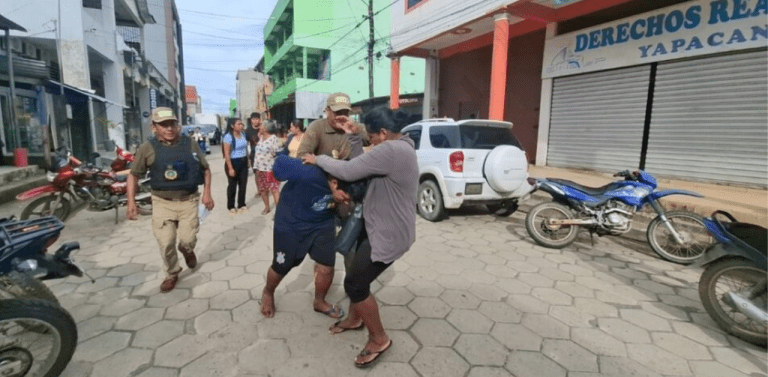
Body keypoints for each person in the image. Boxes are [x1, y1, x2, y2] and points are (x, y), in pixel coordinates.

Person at [302, 108, 417, 368]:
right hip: (379, 224)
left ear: (384, 134)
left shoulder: (391, 150)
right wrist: (354, 137)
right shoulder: (402, 145)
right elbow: (365, 167)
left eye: (373, 137)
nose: (371, 142)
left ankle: (379, 339)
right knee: (356, 270)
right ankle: (355, 319)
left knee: (355, 284)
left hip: (388, 233)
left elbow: (350, 171)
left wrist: (317, 158)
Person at [127, 107, 214, 293]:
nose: (169, 129)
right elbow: (133, 175)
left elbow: (205, 169)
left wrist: (207, 193)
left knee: (187, 240)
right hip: (162, 202)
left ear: (178, 125)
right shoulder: (147, 148)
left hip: (188, 200)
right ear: (154, 127)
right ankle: (172, 273)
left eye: (172, 124)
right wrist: (131, 202)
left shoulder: (189, 143)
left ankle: (187, 250)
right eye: (163, 125)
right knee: (166, 242)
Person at [260, 154, 348, 319]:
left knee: (326, 265)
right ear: (334, 183)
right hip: (291, 223)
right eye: (345, 195)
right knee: (282, 266)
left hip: (323, 223)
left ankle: (319, 302)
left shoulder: (349, 178)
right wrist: (299, 159)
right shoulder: (307, 172)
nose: (347, 199)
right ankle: (268, 292)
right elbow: (279, 163)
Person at [253, 121, 281, 214]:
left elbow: (278, 153)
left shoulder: (273, 139)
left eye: (261, 126)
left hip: (270, 169)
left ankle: (279, 211)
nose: (259, 127)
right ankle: (267, 207)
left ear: (265, 128)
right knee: (263, 190)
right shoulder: (261, 137)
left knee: (274, 190)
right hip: (260, 169)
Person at [223, 118, 249, 214]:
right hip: (233, 162)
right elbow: (226, 154)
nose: (241, 126)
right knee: (232, 185)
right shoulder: (228, 137)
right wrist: (230, 168)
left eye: (242, 124)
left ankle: (241, 204)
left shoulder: (243, 135)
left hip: (243, 161)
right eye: (239, 124)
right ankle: (231, 206)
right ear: (232, 126)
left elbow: (246, 148)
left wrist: (248, 160)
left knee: (243, 184)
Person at [246, 112, 263, 194]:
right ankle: (259, 190)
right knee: (256, 173)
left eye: (257, 119)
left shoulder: (264, 128)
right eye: (253, 119)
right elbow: (245, 144)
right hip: (254, 155)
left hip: (264, 154)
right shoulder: (248, 130)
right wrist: (247, 156)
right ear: (251, 120)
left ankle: (266, 189)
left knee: (265, 172)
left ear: (260, 120)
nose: (255, 121)